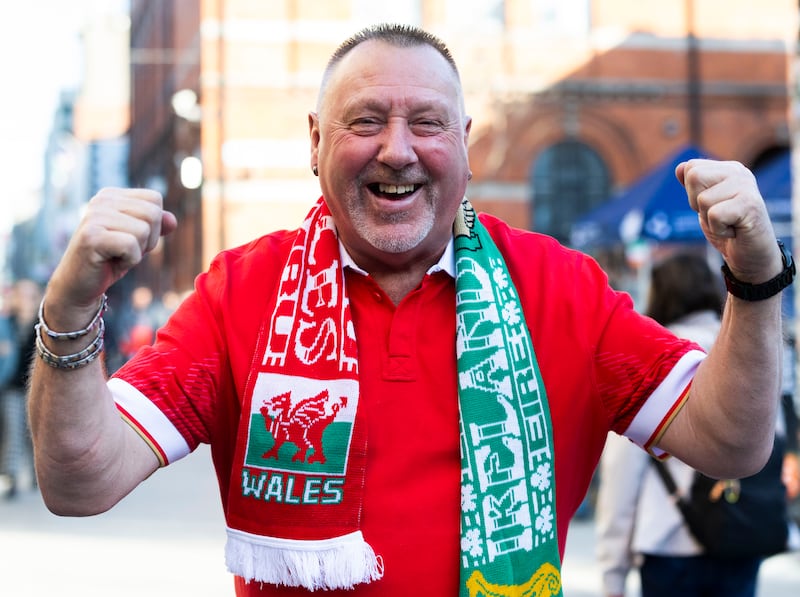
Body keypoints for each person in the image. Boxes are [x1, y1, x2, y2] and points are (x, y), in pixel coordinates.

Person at [27, 24, 793, 596]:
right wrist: (67, 311)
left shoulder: (560, 286)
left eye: (426, 123)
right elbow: (80, 481)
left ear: (463, 144)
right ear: (317, 142)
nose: (398, 149)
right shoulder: (240, 291)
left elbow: (730, 443)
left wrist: (755, 282)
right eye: (366, 122)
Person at [594, 253, 788, 597]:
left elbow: (622, 474)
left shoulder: (648, 358)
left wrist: (613, 572)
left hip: (668, 541)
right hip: (740, 535)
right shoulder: (755, 353)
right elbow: (773, 437)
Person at [0, 278, 42, 498]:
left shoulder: (42, 324)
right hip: (13, 386)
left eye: (30, 295)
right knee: (13, 432)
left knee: (34, 435)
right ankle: (12, 477)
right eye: (21, 295)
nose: (25, 300)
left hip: (37, 389)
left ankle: (38, 476)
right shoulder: (7, 322)